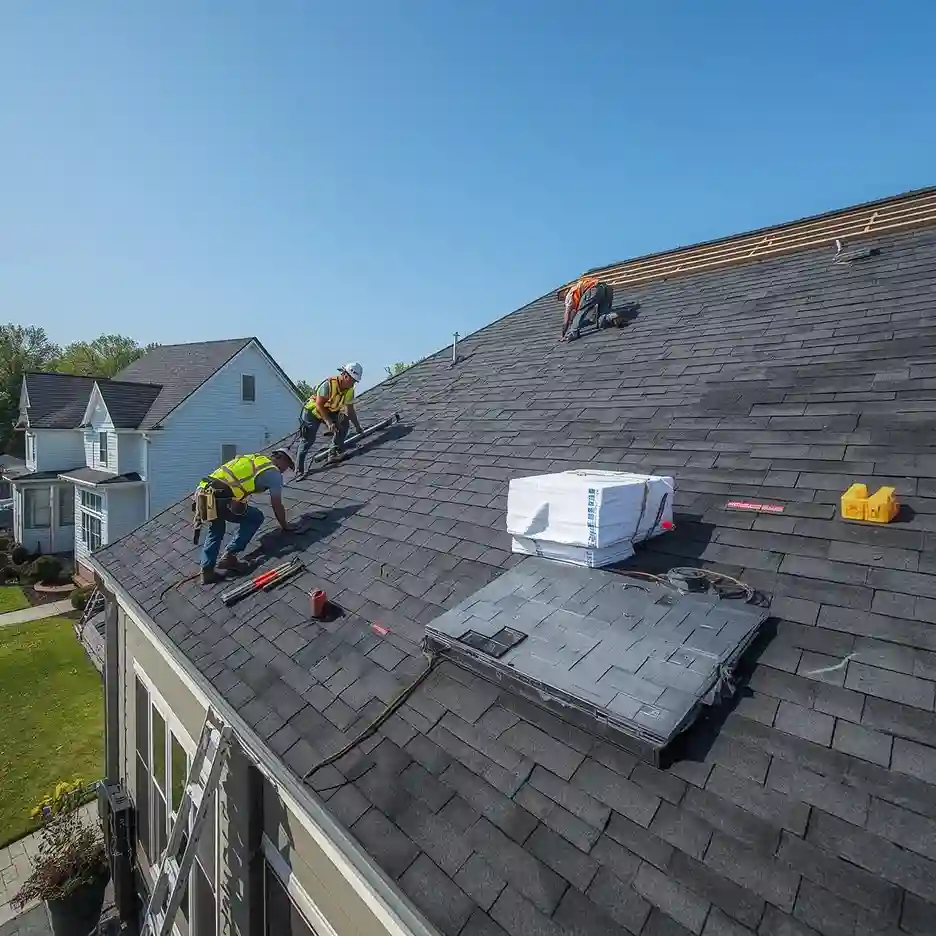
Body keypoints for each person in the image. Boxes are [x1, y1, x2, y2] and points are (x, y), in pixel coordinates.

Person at [195, 449, 295, 583]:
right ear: (281, 459)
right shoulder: (273, 473)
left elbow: (236, 484)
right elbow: (276, 504)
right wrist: (285, 526)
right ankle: (230, 555)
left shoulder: (253, 459)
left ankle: (206, 571)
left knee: (216, 530)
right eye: (286, 466)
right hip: (220, 495)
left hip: (202, 493)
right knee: (255, 518)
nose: (284, 471)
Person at [295, 362, 364, 475]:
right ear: (345, 376)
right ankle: (299, 470)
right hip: (312, 413)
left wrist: (357, 426)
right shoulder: (328, 385)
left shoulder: (349, 390)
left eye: (355, 382)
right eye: (352, 381)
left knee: (344, 423)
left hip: (330, 410)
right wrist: (329, 422)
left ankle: (333, 453)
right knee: (308, 440)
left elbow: (350, 410)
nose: (353, 385)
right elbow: (319, 405)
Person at [559, 276, 621, 341]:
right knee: (601, 322)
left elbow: (568, 316)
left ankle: (573, 332)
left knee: (582, 311)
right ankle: (611, 316)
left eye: (562, 298)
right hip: (607, 289)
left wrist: (563, 334)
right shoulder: (579, 291)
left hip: (594, 289)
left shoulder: (570, 295)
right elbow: (575, 313)